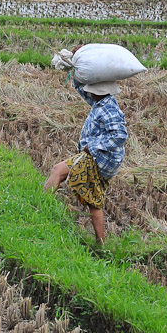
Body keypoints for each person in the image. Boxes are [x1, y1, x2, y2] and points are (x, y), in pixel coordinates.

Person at [45, 45, 127, 244]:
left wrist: (94, 146)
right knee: (93, 200)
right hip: (101, 159)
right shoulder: (100, 101)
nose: (88, 92)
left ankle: (40, 208)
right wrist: (73, 66)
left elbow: (120, 135)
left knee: (58, 171)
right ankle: (101, 242)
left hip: (101, 159)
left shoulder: (108, 108)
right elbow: (82, 90)